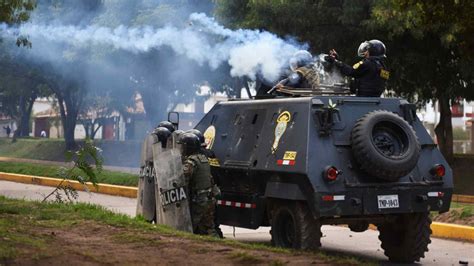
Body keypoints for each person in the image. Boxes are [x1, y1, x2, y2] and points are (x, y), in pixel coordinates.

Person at [186, 129, 223, 238]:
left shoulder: (195, 158)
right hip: (212, 193)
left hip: (200, 197)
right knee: (212, 225)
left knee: (200, 227)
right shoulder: (210, 154)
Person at [325, 39, 390, 97]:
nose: (365, 52)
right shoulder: (383, 66)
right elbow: (379, 79)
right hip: (376, 97)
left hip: (363, 98)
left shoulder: (366, 63)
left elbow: (351, 71)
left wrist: (335, 61)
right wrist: (338, 60)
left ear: (372, 51)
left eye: (367, 50)